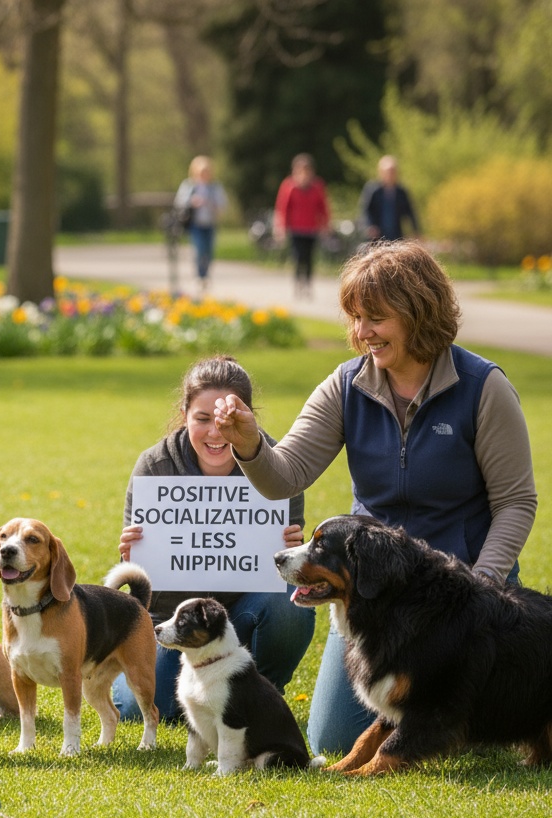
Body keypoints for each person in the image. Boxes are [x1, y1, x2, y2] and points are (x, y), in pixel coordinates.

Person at [213, 239, 537, 755]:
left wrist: (481, 588)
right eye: (356, 318)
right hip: (374, 591)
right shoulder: (346, 386)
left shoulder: (483, 387)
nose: (362, 333)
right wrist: (250, 442)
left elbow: (516, 502)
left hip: (470, 598)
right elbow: (286, 475)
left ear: (418, 313)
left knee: (457, 727)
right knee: (333, 738)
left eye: (377, 318)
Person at [112, 355, 316, 723]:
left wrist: (290, 554)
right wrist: (136, 560)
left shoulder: (278, 466)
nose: (215, 433)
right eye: (202, 419)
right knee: (137, 710)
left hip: (240, 620)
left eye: (227, 420)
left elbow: (281, 575)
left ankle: (261, 691)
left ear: (248, 416)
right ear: (185, 414)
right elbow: (145, 593)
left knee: (288, 602)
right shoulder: (155, 467)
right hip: (170, 623)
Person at [273, 153, 330, 298]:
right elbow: (283, 208)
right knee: (298, 258)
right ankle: (298, 284)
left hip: (311, 229)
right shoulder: (289, 186)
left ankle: (308, 284)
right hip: (296, 229)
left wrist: (325, 225)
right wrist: (281, 228)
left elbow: (323, 207)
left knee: (309, 258)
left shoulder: (317, 186)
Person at [174, 156, 229, 293]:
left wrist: (212, 203)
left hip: (210, 222)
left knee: (209, 251)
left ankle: (206, 275)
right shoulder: (189, 186)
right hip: (195, 223)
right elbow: (179, 203)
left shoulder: (215, 187)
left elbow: (223, 204)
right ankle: (199, 276)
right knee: (199, 250)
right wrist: (192, 201)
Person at [359, 155, 419, 242]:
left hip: (396, 234)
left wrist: (416, 231)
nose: (390, 174)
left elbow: (410, 212)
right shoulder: (373, 190)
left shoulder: (401, 192)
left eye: (393, 171)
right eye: (388, 172)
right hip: (377, 236)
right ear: (381, 172)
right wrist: (369, 226)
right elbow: (365, 210)